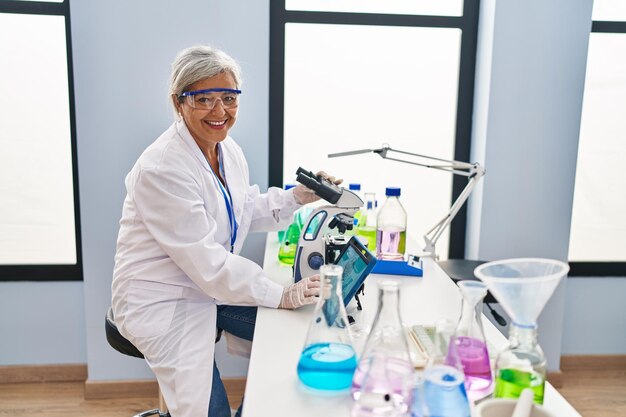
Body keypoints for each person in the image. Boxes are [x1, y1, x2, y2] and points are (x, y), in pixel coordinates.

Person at [111, 45, 341, 417]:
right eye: (204, 99)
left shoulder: (226, 149)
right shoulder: (162, 168)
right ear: (179, 102)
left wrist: (299, 197)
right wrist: (281, 293)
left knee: (292, 333)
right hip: (165, 301)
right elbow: (208, 263)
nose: (220, 111)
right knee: (208, 411)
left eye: (229, 98)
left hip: (207, 288)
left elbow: (242, 210)